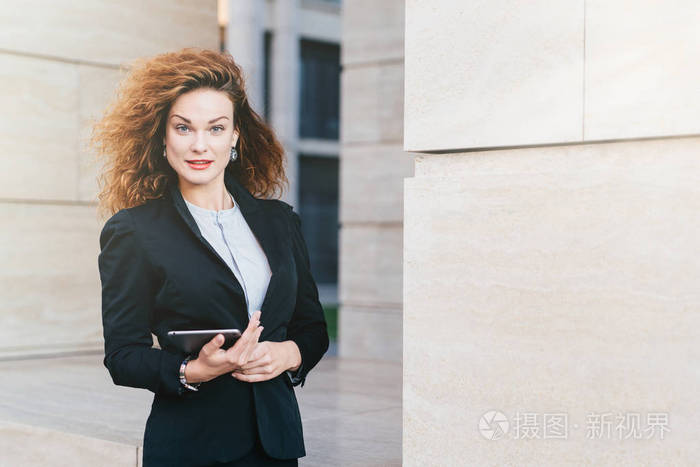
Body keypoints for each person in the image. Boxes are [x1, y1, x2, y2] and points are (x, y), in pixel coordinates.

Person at [91, 48, 330, 466]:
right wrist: (192, 371)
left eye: (216, 128)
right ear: (163, 137)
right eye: (183, 128)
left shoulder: (279, 222)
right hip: (191, 446)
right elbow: (123, 356)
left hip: (276, 445)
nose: (200, 144)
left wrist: (289, 354)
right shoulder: (134, 231)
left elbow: (312, 328)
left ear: (235, 136)